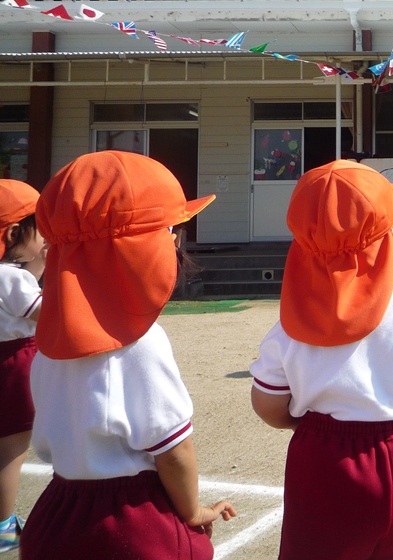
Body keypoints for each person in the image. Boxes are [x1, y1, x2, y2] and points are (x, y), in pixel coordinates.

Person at [20, 151, 236, 560]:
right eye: (170, 230)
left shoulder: (49, 340)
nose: (175, 241)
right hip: (131, 522)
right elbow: (174, 450)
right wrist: (192, 512)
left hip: (56, 511)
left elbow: (48, 441)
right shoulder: (140, 341)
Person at [250, 160, 393, 560]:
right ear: (391, 240)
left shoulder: (291, 324)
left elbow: (267, 403)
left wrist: (300, 422)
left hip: (322, 454)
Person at [0, 181, 44, 554]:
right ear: (15, 233)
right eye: (39, 226)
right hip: (13, 364)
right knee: (12, 452)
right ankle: (3, 527)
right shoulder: (13, 276)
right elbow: (47, 314)